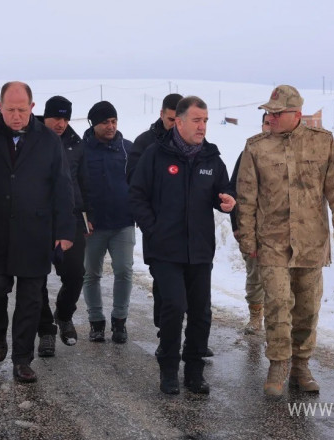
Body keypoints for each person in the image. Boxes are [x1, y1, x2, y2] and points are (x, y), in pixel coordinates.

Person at [235, 85, 334, 397]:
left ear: (296, 115)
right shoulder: (256, 147)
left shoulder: (322, 143)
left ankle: (301, 365)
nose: (270, 118)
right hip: (272, 242)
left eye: (277, 113)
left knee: (307, 308)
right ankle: (278, 364)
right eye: (268, 113)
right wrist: (246, 238)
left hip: (311, 242)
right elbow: (245, 198)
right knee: (277, 305)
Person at [0, 81, 74, 383]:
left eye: (22, 110)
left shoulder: (48, 140)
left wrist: (64, 229)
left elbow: (63, 186)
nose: (16, 115)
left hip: (35, 232)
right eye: (10, 109)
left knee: (30, 300)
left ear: (32, 108)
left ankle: (22, 360)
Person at [129, 96, 235, 395]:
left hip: (199, 249)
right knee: (174, 306)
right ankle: (168, 369)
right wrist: (153, 230)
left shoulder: (210, 157)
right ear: (179, 121)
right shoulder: (155, 155)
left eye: (205, 121)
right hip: (165, 250)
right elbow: (137, 195)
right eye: (197, 120)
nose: (202, 126)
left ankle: (194, 370)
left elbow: (223, 189)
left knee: (201, 311)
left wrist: (226, 200)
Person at [36, 96, 91, 356]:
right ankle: (46, 330)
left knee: (75, 274)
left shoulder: (76, 144)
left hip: (69, 218)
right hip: (35, 219)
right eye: (56, 118)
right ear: (45, 116)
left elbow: (83, 181)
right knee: (35, 280)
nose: (61, 123)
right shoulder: (30, 138)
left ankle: (64, 314)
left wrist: (87, 213)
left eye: (66, 118)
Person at [81, 101, 135, 344]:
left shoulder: (128, 149)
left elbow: (138, 183)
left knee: (124, 270)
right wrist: (82, 217)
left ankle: (119, 321)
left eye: (114, 121)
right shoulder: (82, 151)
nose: (111, 126)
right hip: (92, 226)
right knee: (91, 274)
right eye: (105, 122)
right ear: (94, 124)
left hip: (123, 222)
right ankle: (96, 322)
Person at [229, 112, 272, 336]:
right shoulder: (248, 154)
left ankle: (281, 323)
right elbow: (233, 191)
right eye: (266, 123)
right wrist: (237, 226)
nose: (269, 127)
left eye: (272, 122)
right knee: (255, 276)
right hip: (253, 228)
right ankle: (256, 316)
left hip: (280, 231)